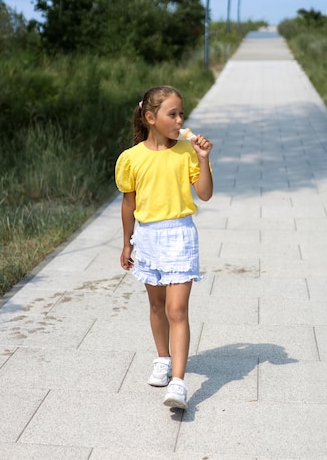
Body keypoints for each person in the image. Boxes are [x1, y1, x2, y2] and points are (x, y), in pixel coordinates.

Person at [115, 85, 213, 410]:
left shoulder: (186, 151)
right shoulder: (131, 158)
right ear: (150, 117)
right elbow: (128, 204)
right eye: (173, 114)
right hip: (146, 238)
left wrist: (203, 158)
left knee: (177, 310)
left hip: (180, 236)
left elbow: (205, 193)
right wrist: (127, 243)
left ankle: (179, 383)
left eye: (181, 113)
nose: (180, 119)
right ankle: (162, 358)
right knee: (157, 307)